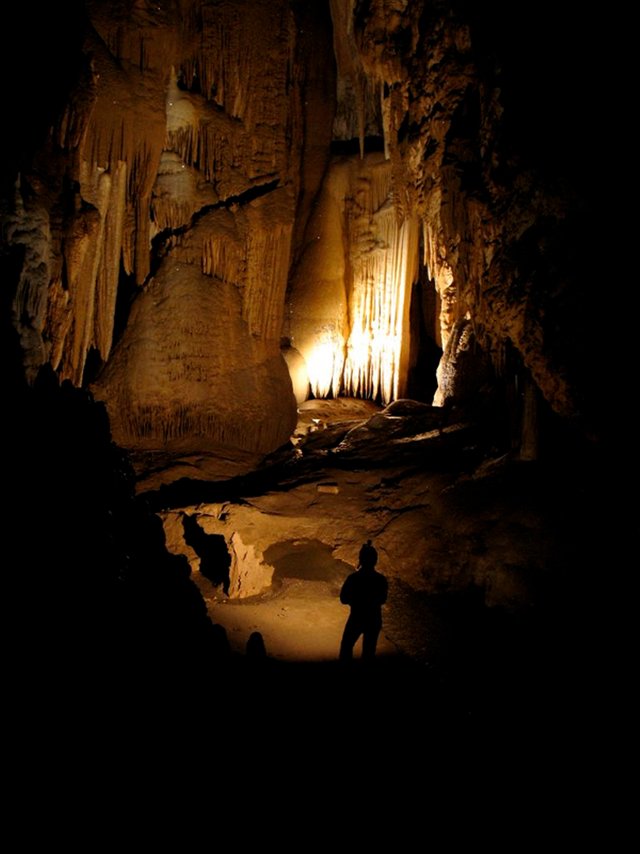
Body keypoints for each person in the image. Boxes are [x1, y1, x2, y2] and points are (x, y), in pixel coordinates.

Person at [339, 541, 388, 661]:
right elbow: (382, 599)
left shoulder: (353, 578)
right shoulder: (381, 579)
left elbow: (343, 599)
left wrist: (355, 601)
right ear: (375, 561)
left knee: (346, 647)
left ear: (361, 559)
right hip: (374, 619)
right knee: (369, 652)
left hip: (356, 617)